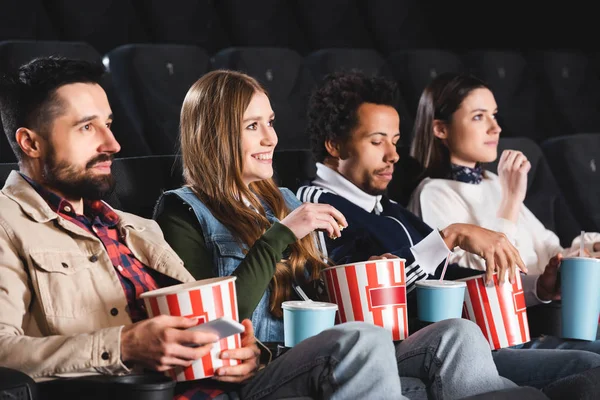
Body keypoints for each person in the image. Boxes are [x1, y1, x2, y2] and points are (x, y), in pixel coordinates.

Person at [0, 57, 406, 400]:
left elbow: (215, 322)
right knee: (361, 343)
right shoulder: (9, 223)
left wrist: (251, 353)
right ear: (30, 143)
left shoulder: (134, 228)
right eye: (87, 127)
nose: (113, 143)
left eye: (109, 123)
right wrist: (123, 346)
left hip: (219, 387)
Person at [153, 69, 524, 399]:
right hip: (261, 368)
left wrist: (362, 276)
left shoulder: (284, 199)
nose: (271, 138)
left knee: (456, 333)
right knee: (364, 339)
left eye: (271, 121)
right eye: (253, 126)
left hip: (314, 347)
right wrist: (280, 235)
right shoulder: (182, 211)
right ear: (214, 135)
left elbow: (315, 293)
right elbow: (216, 323)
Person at [297, 70, 600, 390]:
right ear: (334, 146)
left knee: (591, 366)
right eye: (377, 141)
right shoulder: (314, 204)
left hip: (464, 341)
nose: (393, 155)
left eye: (395, 141)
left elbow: (448, 278)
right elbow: (358, 285)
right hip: (406, 349)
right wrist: (449, 237)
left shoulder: (387, 208)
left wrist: (539, 286)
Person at [407, 71, 600, 351]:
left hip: (546, 317)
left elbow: (549, 249)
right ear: (440, 129)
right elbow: (479, 276)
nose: (495, 128)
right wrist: (510, 199)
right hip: (503, 334)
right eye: (478, 116)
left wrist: (588, 248)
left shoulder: (495, 182)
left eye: (494, 115)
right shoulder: (433, 192)